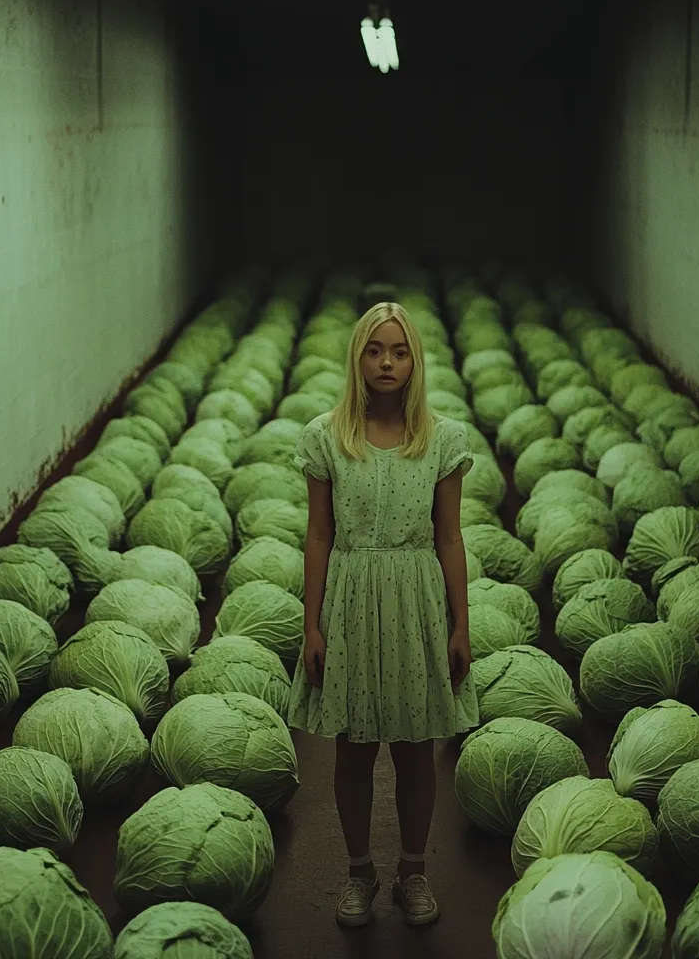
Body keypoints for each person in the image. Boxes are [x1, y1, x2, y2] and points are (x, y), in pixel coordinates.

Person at [286, 300, 480, 929]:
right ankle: (360, 872)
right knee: (354, 749)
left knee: (417, 748)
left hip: (416, 593)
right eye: (374, 350)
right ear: (357, 359)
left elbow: (450, 537)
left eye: (399, 351)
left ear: (414, 360)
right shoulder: (326, 436)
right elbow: (318, 535)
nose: (387, 362)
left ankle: (414, 871)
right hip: (351, 592)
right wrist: (312, 624)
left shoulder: (442, 438)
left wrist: (460, 622)